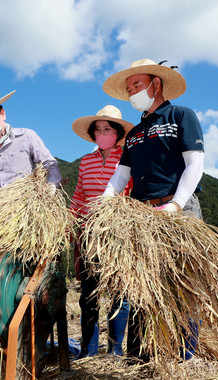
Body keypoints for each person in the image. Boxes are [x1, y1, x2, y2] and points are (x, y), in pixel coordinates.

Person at [102, 58, 205, 361]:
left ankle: (186, 356)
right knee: (143, 286)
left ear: (155, 84)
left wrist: (175, 204)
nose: (133, 91)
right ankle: (145, 354)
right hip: (142, 213)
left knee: (184, 283)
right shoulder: (133, 133)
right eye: (129, 87)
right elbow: (121, 176)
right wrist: (104, 205)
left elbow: (195, 163)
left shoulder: (181, 116)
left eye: (137, 85)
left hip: (179, 208)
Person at [70, 105, 134, 358]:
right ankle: (89, 350)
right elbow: (78, 196)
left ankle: (115, 350)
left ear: (117, 133)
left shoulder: (127, 159)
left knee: (119, 292)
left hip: (117, 235)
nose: (102, 132)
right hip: (88, 234)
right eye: (98, 129)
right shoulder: (86, 161)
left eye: (107, 129)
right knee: (88, 294)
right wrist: (69, 220)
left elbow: (129, 195)